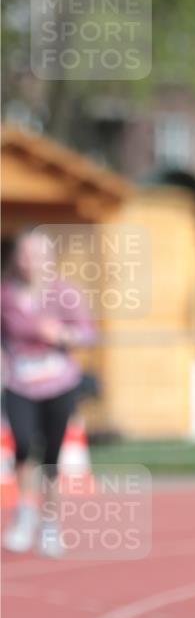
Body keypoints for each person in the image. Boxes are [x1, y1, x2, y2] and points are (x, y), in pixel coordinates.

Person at [1, 229, 96, 556]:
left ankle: (50, 524)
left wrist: (62, 334)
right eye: (25, 255)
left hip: (58, 384)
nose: (31, 262)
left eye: (38, 255)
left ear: (49, 259)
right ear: (17, 258)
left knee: (51, 457)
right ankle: (24, 513)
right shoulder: (6, 295)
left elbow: (88, 334)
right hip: (19, 383)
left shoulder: (64, 294)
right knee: (22, 445)